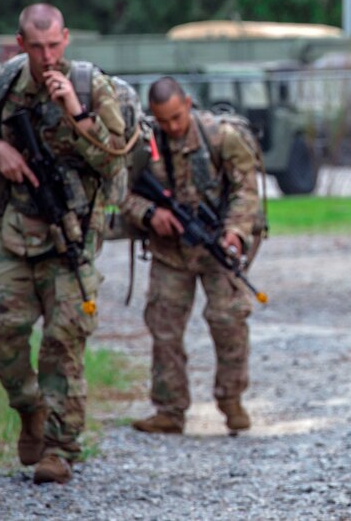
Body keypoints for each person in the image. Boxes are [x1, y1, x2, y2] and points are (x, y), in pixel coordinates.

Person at [0, 3, 126, 484]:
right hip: (13, 229)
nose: (47, 57)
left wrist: (77, 111)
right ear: (21, 42)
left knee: (63, 340)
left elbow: (114, 161)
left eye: (55, 45)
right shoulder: (4, 84)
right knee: (1, 330)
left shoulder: (91, 86)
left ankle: (59, 448)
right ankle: (28, 407)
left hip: (72, 233)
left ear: (66, 39)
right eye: (37, 46)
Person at [125, 77, 260, 436]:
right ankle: (169, 410)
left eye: (176, 117)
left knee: (228, 320)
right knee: (164, 329)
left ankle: (231, 399)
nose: (171, 126)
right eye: (162, 120)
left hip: (216, 245)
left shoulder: (221, 137)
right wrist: (151, 215)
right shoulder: (143, 144)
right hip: (170, 252)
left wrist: (235, 232)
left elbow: (246, 192)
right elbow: (119, 192)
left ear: (187, 103)